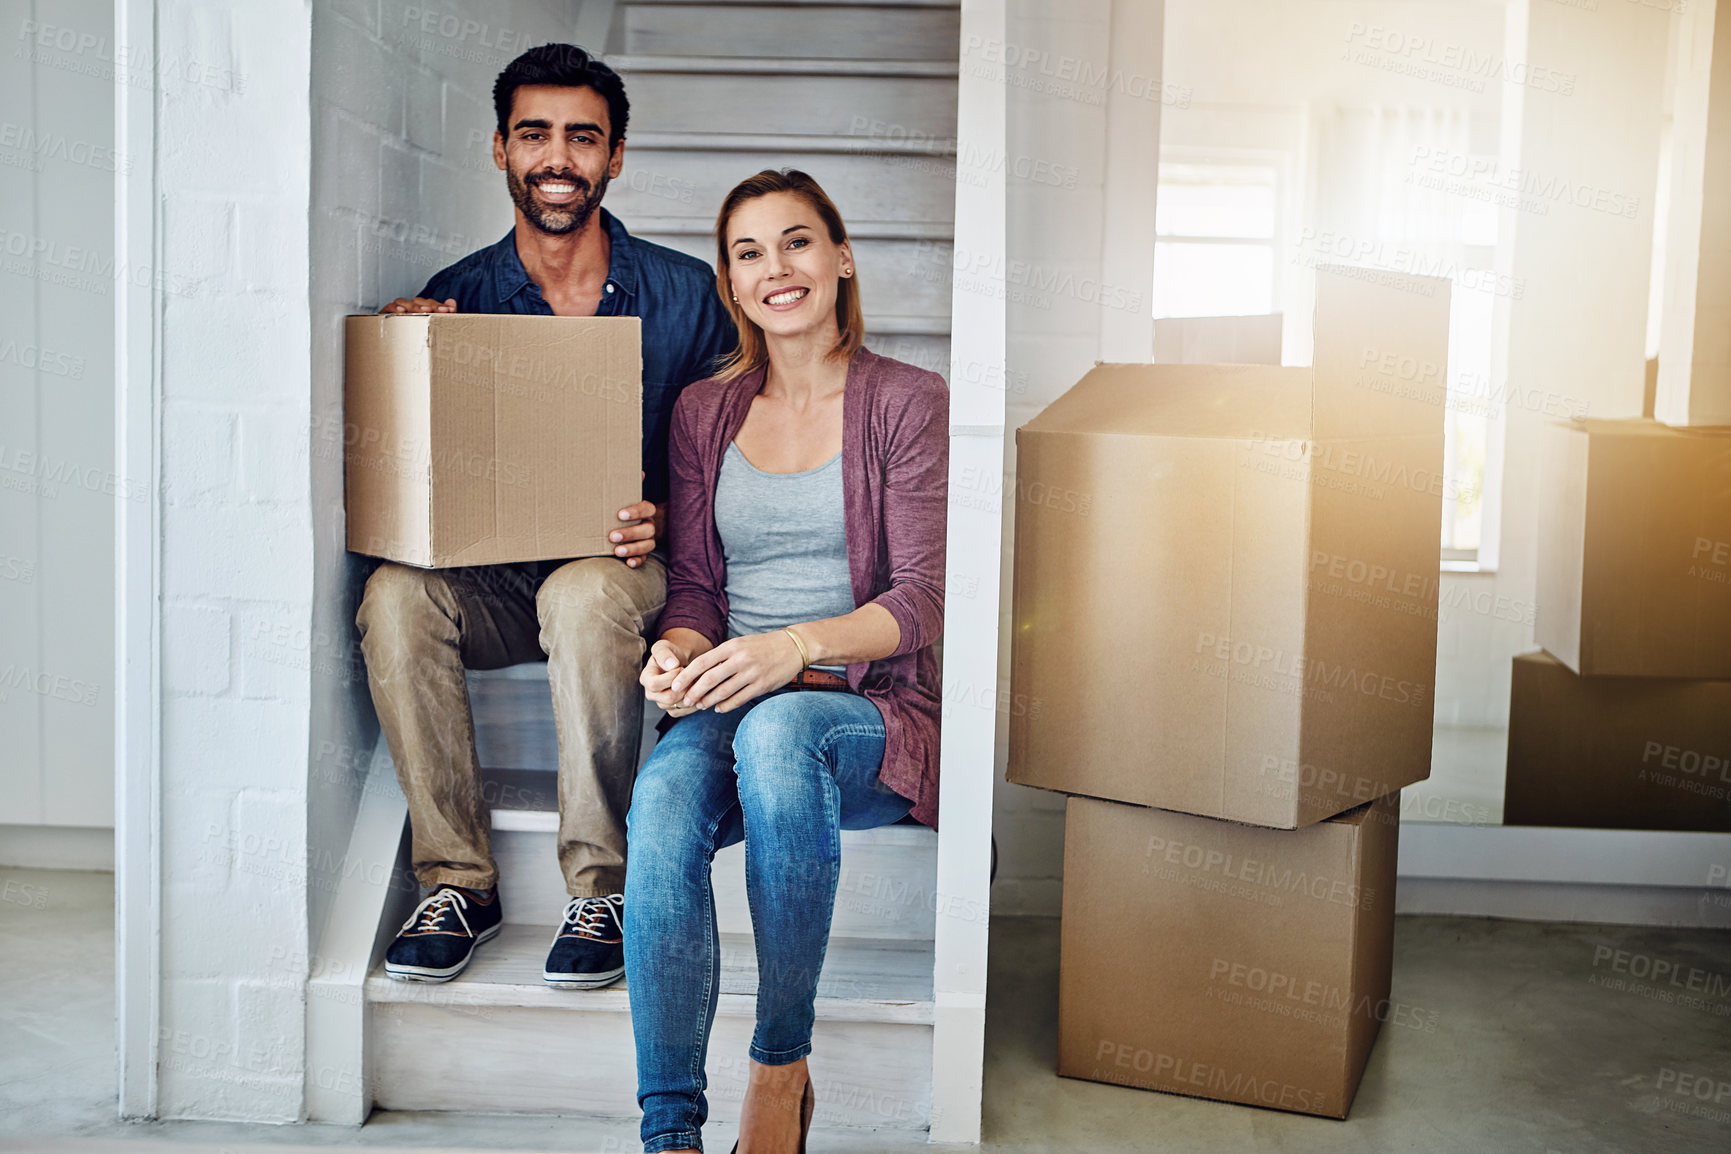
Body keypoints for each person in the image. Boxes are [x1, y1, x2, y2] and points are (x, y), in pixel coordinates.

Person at [356, 43, 735, 989]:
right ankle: (457, 880)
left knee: (583, 594)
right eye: (534, 134)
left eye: (581, 136)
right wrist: (415, 358)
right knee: (396, 595)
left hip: (623, 571)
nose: (557, 157)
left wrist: (673, 526)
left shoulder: (689, 296)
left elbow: (744, 460)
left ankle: (602, 888)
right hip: (495, 576)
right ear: (499, 149)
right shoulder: (462, 295)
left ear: (615, 155)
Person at [623, 170, 947, 1154]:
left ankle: (778, 1066)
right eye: (750, 251)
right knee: (664, 802)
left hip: (862, 707)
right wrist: (677, 653)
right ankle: (669, 1128)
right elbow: (695, 591)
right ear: (729, 280)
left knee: (776, 729)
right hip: (732, 696)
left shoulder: (908, 400)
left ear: (841, 257)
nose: (778, 269)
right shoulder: (703, 411)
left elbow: (925, 599)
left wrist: (793, 647)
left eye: (798, 242)